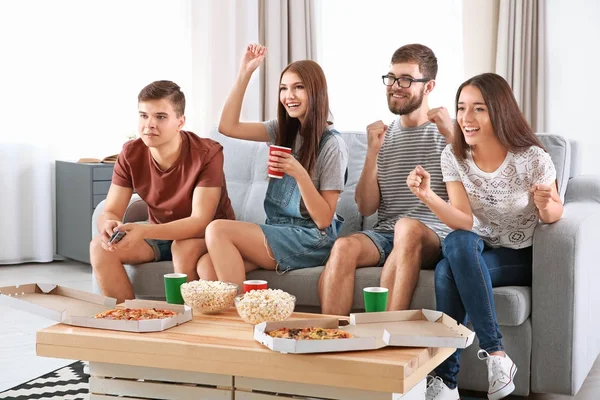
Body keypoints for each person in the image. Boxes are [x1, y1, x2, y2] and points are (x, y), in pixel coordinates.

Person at [406, 73, 563, 400]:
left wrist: (546, 206)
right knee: (455, 243)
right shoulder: (454, 156)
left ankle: (447, 382)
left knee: (445, 271)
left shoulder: (532, 158)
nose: (466, 118)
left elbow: (554, 214)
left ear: (499, 111)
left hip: (519, 253)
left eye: (478, 109)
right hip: (478, 247)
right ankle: (497, 357)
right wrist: (427, 196)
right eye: (462, 108)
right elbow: (463, 220)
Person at [195, 44, 349, 286]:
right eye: (284, 88)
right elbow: (227, 127)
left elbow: (323, 220)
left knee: (218, 230)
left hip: (312, 237)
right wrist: (245, 72)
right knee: (205, 265)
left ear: (316, 92)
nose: (289, 96)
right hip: (279, 229)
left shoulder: (332, 144)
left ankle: (241, 318)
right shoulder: (282, 130)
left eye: (299, 87)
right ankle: (255, 314)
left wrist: (298, 172)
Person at [318, 44, 453, 315]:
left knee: (408, 228)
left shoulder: (448, 132)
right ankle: (330, 339)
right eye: (391, 78)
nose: (394, 86)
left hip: (434, 236)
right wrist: (372, 153)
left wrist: (453, 137)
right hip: (387, 234)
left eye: (405, 79)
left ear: (429, 87)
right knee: (344, 246)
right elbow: (367, 208)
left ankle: (387, 334)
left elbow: (476, 187)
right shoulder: (384, 136)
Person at [90, 80, 235, 303]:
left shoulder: (207, 153)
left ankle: (185, 323)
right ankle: (128, 321)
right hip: (159, 233)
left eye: (160, 117)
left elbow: (200, 220)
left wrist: (145, 232)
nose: (149, 125)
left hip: (204, 234)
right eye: (143, 115)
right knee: (100, 249)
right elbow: (111, 209)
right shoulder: (130, 153)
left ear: (180, 122)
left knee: (182, 246)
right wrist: (109, 226)